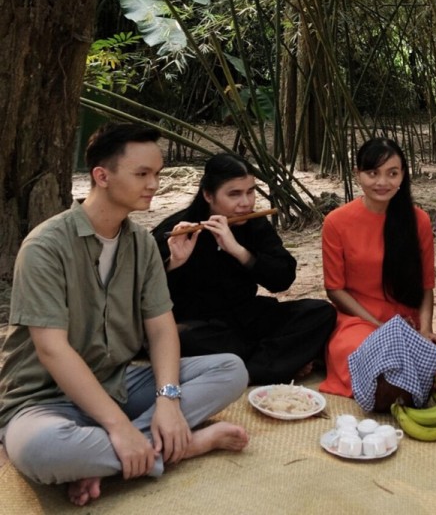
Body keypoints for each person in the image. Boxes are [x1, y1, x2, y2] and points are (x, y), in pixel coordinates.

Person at [0, 124, 249, 507]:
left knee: (231, 369)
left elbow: (163, 329)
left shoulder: (142, 246)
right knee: (43, 451)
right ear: (102, 176)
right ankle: (184, 445)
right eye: (142, 174)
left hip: (118, 383)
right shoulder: (45, 247)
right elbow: (52, 350)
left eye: (158, 174)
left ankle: (119, 453)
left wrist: (167, 400)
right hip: (43, 399)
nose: (154, 185)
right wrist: (117, 426)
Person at [152, 154, 336, 385]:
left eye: (251, 191)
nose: (246, 203)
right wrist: (173, 264)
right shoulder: (175, 230)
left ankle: (250, 369)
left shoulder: (255, 224)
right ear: (208, 195)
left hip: (245, 315)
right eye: (234, 194)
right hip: (199, 325)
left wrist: (239, 252)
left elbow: (283, 279)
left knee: (320, 312)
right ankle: (275, 363)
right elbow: (144, 298)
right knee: (180, 339)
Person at [319, 138, 436, 408]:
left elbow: (425, 285)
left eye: (392, 173)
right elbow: (334, 289)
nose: (382, 182)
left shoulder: (416, 219)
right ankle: (396, 391)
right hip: (358, 322)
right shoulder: (336, 222)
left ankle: (396, 391)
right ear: (357, 173)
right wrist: (378, 326)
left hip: (404, 322)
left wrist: (425, 330)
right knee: (368, 357)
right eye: (373, 173)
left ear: (403, 175)